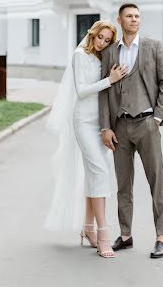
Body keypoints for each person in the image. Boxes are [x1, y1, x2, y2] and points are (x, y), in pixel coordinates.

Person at [45, 20, 129, 258]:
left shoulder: (103, 58)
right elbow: (82, 91)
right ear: (92, 35)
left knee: (96, 173)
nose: (102, 42)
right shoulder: (80, 55)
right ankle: (103, 233)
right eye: (99, 37)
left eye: (107, 40)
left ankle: (88, 228)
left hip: (101, 123)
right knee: (100, 170)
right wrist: (109, 80)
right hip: (83, 121)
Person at [99, 3, 163, 259]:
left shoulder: (154, 47)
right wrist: (106, 126)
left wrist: (158, 117)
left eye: (137, 16)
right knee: (123, 184)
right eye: (129, 16)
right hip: (120, 125)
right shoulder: (110, 52)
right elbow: (104, 91)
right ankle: (126, 234)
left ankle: (161, 237)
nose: (134, 19)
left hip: (146, 123)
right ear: (119, 21)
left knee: (156, 181)